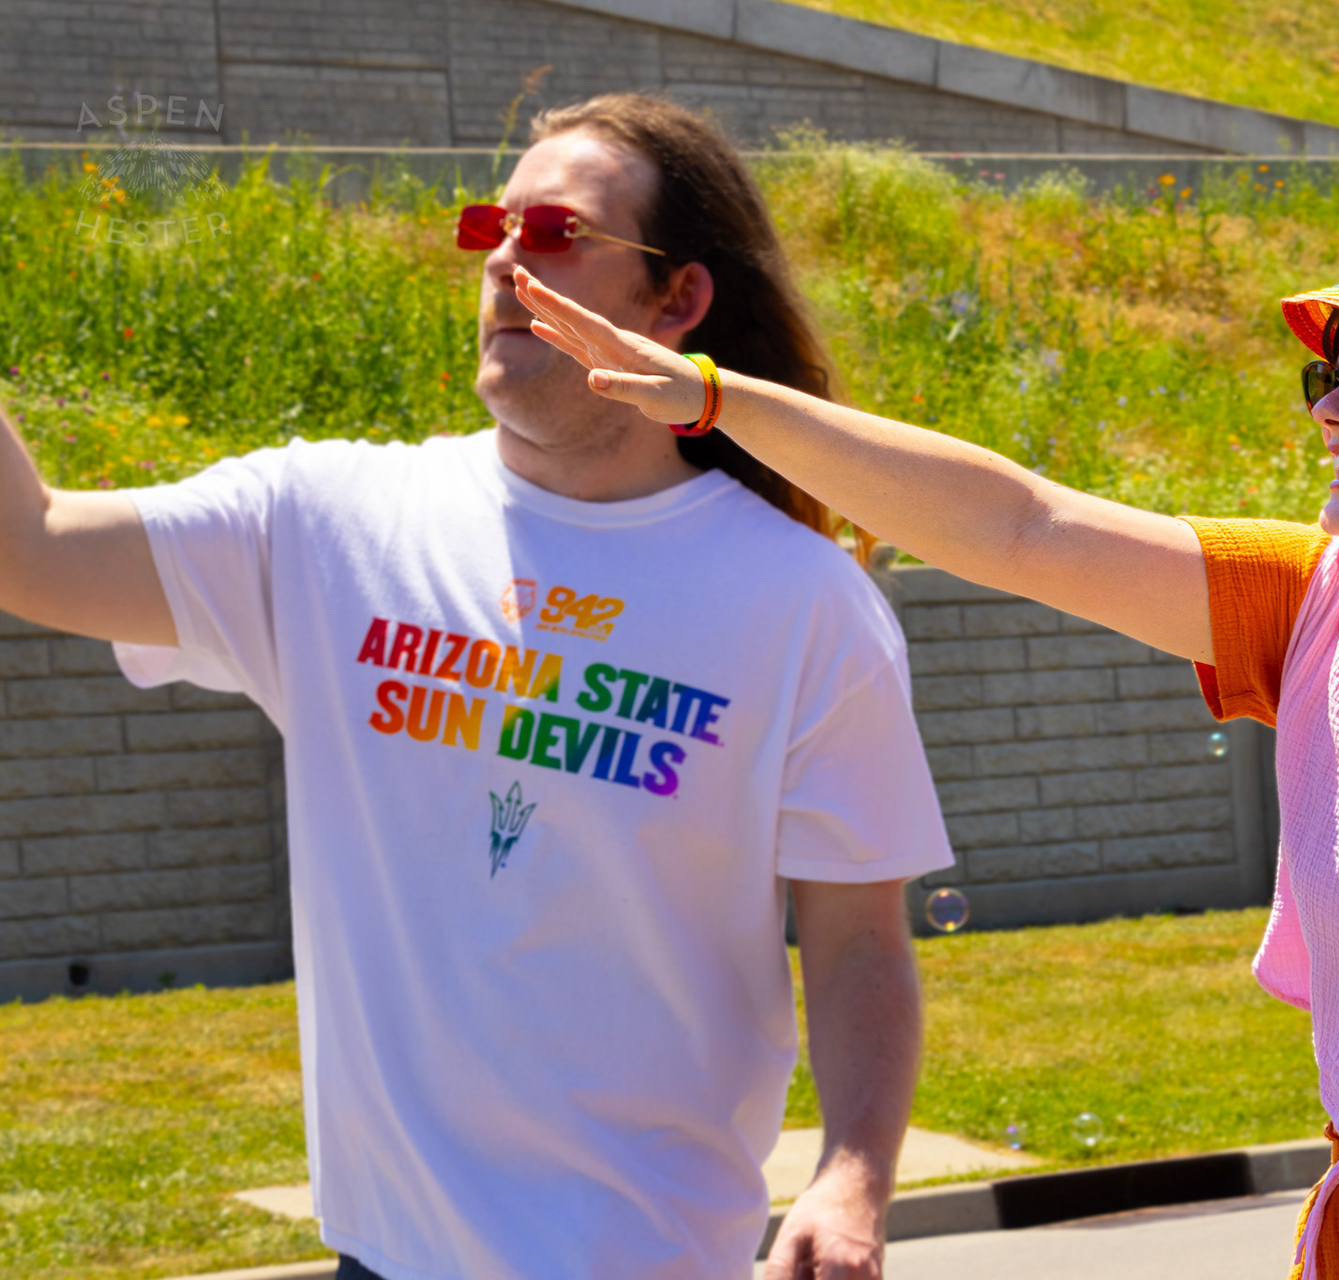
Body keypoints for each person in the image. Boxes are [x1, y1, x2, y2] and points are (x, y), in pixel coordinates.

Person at [511, 234, 1339, 1278]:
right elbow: (1020, 526)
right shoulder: (1319, 605)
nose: (1327, 415)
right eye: (1320, 381)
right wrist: (709, 397)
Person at [0, 94, 953, 1280]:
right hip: (380, 1259)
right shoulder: (325, 523)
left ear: (679, 299)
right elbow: (27, 546)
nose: (504, 258)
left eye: (555, 232)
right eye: (487, 228)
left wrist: (851, 1176)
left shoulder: (805, 603)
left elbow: (860, 940)